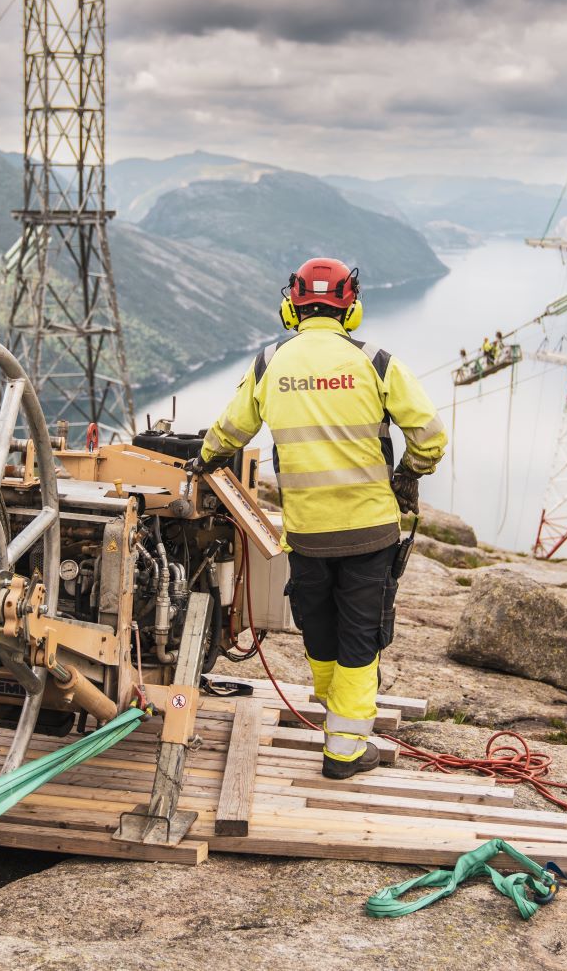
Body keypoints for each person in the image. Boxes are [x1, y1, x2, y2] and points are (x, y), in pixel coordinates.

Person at [190, 257, 447, 778]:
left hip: (306, 534)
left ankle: (339, 722)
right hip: (370, 533)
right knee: (360, 637)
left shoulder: (269, 364)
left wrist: (207, 460)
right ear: (350, 307)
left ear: (292, 305)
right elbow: (430, 438)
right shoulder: (377, 362)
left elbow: (228, 433)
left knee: (320, 629)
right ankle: (346, 749)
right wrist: (408, 473)